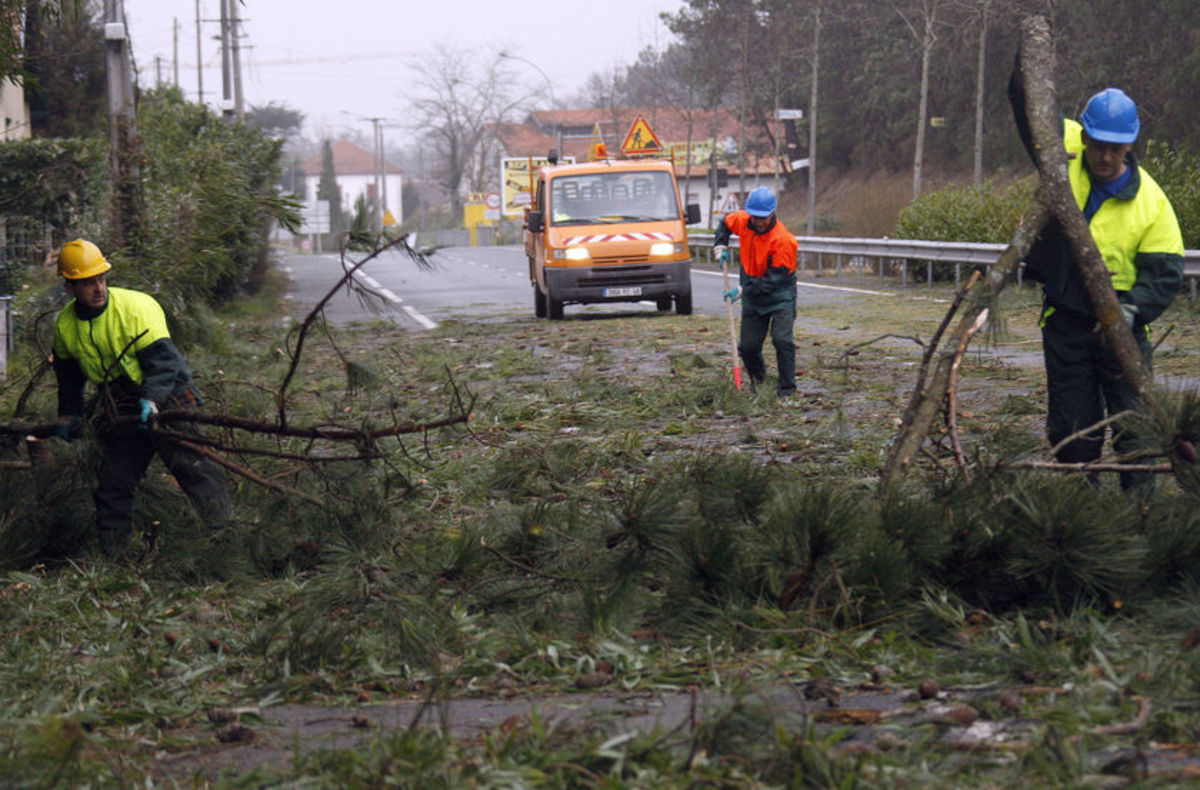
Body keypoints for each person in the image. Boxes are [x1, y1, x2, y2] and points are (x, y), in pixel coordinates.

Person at [1018, 88, 1184, 490]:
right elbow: (1029, 109)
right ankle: (1081, 523)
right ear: (1085, 138)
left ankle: (1139, 519)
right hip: (1067, 326)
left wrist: (1133, 311)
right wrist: (1026, 60)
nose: (1105, 157)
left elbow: (1164, 275)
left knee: (1137, 433)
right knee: (1073, 432)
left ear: (1129, 146)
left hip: (1123, 332)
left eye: (1115, 148)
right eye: (1098, 146)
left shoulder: (1152, 203)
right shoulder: (1066, 150)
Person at [51, 239, 232, 556]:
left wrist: (153, 400)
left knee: (194, 469)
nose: (98, 288)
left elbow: (164, 363)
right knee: (113, 482)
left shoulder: (136, 308)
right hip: (122, 406)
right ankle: (115, 553)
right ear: (69, 288)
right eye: (87, 282)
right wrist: (70, 413)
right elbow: (68, 376)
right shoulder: (66, 325)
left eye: (101, 279)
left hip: (171, 395)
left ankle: (226, 538)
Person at [713, 186, 799, 397]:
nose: (759, 222)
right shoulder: (743, 221)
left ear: (772, 213)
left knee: (782, 340)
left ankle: (787, 389)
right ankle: (760, 385)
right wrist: (720, 246)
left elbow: (774, 280)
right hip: (753, 297)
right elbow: (724, 224)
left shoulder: (783, 241)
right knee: (748, 347)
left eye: (764, 217)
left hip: (780, 295)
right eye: (755, 217)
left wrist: (741, 290)